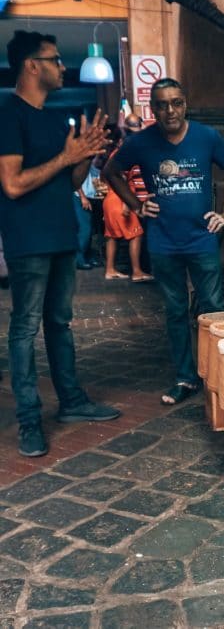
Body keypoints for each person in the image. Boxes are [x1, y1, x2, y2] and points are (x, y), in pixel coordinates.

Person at [0, 30, 122, 457]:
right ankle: (29, 420)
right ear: (32, 65)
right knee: (24, 328)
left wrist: (87, 153)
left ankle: (71, 402)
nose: (62, 66)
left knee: (60, 323)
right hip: (27, 240)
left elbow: (71, 182)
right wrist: (65, 158)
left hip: (60, 236)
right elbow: (13, 184)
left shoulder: (54, 117)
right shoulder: (7, 113)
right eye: (54, 59)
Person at [104, 78, 224, 406]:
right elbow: (111, 170)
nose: (170, 110)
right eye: (162, 104)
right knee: (176, 311)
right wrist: (136, 204)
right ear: (153, 108)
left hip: (203, 239)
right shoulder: (142, 142)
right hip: (163, 243)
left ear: (185, 103)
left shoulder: (206, 137)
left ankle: (219, 379)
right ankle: (186, 377)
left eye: (176, 102)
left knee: (212, 310)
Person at [101, 128, 151, 282]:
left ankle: (110, 270)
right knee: (137, 234)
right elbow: (120, 180)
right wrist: (127, 204)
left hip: (110, 200)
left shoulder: (112, 154)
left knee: (111, 236)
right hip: (119, 199)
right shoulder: (121, 155)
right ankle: (137, 272)